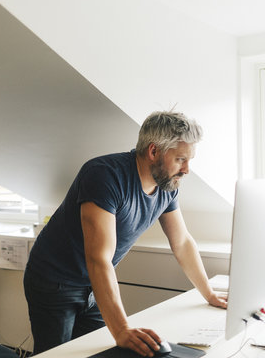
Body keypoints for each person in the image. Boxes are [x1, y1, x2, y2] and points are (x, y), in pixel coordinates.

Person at [23, 111, 228, 356]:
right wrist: (121, 329)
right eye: (181, 159)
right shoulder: (103, 175)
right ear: (154, 152)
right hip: (55, 281)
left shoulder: (167, 185)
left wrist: (209, 294)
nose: (186, 170)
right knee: (57, 355)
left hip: (92, 283)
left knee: (100, 351)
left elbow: (182, 242)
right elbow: (98, 258)